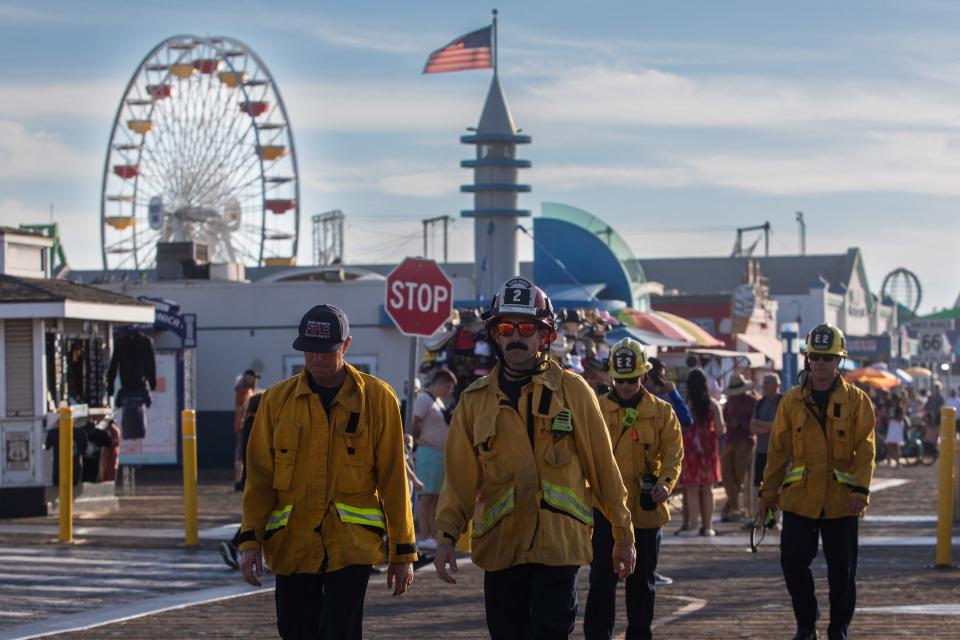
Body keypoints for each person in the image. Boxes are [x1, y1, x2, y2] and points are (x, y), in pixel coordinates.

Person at [434, 276, 636, 639]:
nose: (516, 336)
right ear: (494, 334)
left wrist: (623, 532)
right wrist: (446, 537)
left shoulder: (573, 392)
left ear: (546, 336)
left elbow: (603, 468)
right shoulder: (474, 401)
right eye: (506, 327)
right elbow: (458, 478)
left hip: (557, 547)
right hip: (501, 548)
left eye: (526, 327)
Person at [238, 304, 417, 640]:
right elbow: (259, 478)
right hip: (293, 544)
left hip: (351, 546)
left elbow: (394, 478)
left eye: (325, 352)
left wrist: (403, 551)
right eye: (309, 351)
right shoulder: (276, 402)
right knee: (295, 630)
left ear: (346, 346)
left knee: (340, 631)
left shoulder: (377, 400)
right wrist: (250, 541)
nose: (315, 359)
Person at [759, 323, 876, 640]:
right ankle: (806, 623)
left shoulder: (857, 401)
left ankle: (838, 627)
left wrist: (861, 489)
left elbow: (865, 448)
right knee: (793, 564)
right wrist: (767, 496)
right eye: (815, 356)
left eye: (828, 357)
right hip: (800, 499)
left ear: (840, 360)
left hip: (841, 500)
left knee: (843, 572)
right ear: (807, 359)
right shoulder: (792, 401)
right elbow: (778, 451)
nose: (821, 363)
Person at [584, 338, 683, 640]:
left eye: (631, 379)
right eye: (620, 379)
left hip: (645, 509)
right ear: (611, 376)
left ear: (643, 376)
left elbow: (673, 454)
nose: (625, 386)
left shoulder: (662, 412)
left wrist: (666, 485)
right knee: (602, 579)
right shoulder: (595, 410)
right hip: (604, 509)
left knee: (642, 582)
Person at [412, 367, 457, 550]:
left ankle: (432, 534)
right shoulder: (424, 399)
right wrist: (417, 440)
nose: (449, 391)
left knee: (436, 496)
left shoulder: (438, 401)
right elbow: (414, 422)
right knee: (427, 496)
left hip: (438, 454)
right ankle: (424, 535)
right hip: (428, 453)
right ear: (439, 383)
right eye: (448, 386)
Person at [676, 369, 724, 536]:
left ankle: (693, 525)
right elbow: (720, 430)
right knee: (707, 489)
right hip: (709, 449)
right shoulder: (713, 404)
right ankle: (708, 526)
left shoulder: (686, 404)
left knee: (692, 489)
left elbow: (681, 426)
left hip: (691, 449)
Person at [221, 390, 264, 569]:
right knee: (258, 515)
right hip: (257, 478)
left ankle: (234, 545)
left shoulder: (249, 422)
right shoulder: (256, 422)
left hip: (251, 477)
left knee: (257, 514)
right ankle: (233, 544)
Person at [720, 373, 758, 522]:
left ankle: (730, 508)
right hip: (730, 439)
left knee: (738, 476)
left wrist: (740, 423)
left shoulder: (752, 401)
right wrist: (730, 422)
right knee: (726, 474)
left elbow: (755, 420)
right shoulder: (729, 402)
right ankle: (733, 508)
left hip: (745, 440)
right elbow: (724, 417)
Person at [750, 373, 782, 525]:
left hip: (780, 452)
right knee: (759, 485)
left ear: (777, 384)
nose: (766, 385)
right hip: (762, 450)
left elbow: (781, 426)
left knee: (777, 484)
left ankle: (775, 518)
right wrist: (771, 426)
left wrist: (762, 424)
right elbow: (752, 426)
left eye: (769, 382)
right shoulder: (760, 403)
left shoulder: (783, 401)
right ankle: (761, 518)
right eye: (765, 382)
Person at [233, 369, 260, 491]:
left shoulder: (240, 391)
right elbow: (241, 409)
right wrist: (242, 422)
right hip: (244, 426)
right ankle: (240, 481)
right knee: (241, 454)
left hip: (241, 425)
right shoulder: (246, 392)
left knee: (241, 454)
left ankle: (240, 481)